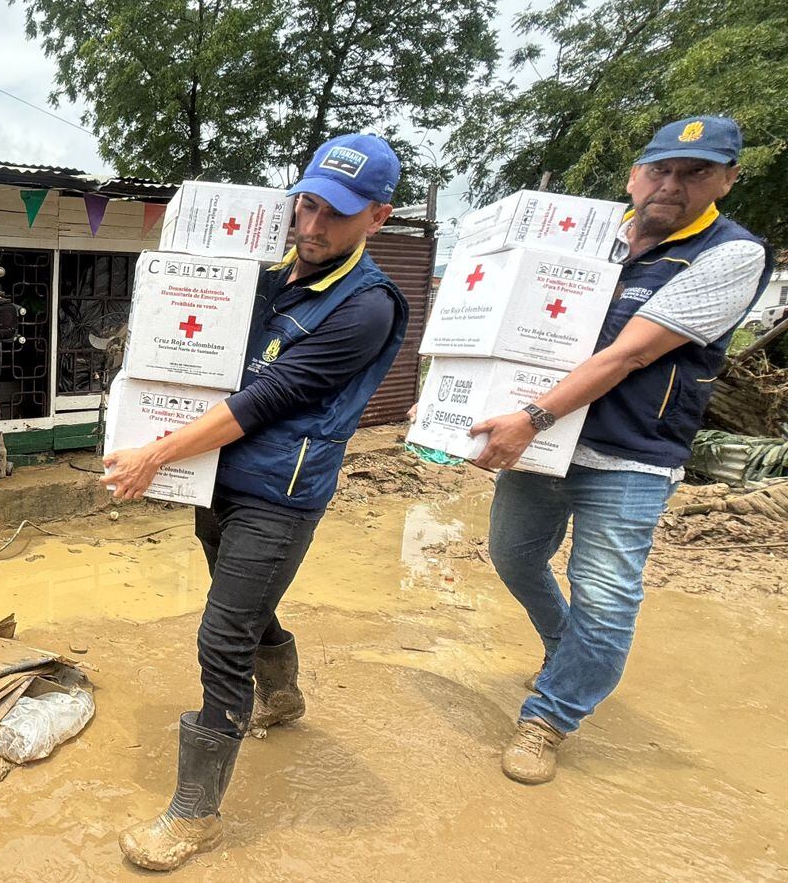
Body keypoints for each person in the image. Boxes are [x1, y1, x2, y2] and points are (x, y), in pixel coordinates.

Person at [102, 134, 409, 871]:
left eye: (333, 214)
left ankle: (194, 815)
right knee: (246, 602)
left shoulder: (365, 308)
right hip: (217, 475)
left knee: (222, 636)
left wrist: (155, 453)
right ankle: (284, 697)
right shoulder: (264, 277)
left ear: (377, 218)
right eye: (304, 204)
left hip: (281, 490)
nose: (310, 226)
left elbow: (268, 396)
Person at [470, 116, 771, 786]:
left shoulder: (730, 253)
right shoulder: (589, 243)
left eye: (695, 173)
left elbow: (632, 351)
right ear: (635, 175)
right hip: (545, 446)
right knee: (514, 556)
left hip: (629, 455)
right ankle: (566, 651)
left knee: (605, 598)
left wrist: (532, 416)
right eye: (660, 169)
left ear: (727, 179)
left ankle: (549, 718)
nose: (672, 185)